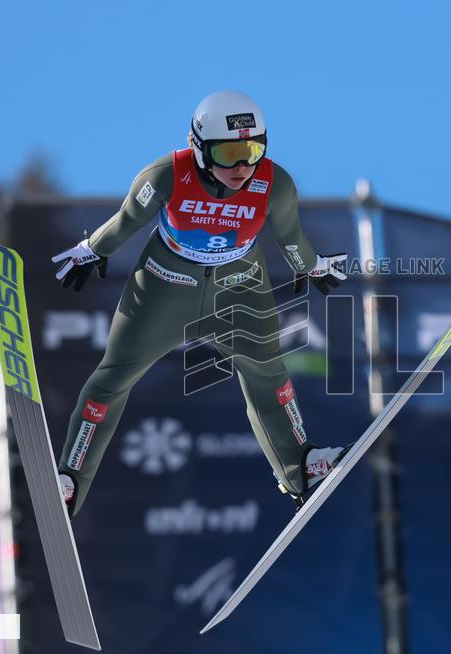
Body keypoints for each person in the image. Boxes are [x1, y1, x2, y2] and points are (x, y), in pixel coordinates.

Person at [51, 90, 349, 517]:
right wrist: (94, 249)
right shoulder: (165, 175)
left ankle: (300, 468)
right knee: (112, 378)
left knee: (268, 372)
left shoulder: (274, 184)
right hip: (164, 286)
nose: (242, 166)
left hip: (239, 287)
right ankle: (69, 479)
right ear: (199, 146)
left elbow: (289, 239)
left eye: (251, 150)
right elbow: (126, 222)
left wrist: (314, 266)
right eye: (229, 153)